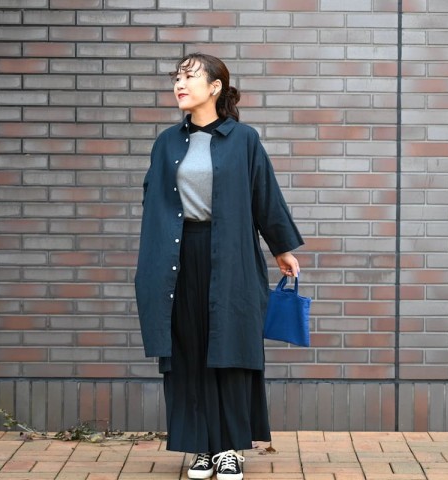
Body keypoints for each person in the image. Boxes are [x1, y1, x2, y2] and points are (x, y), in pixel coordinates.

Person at [134, 53, 304, 480]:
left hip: (231, 255)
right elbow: (153, 202)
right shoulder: (166, 142)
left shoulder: (243, 139)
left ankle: (229, 448)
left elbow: (264, 193)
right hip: (177, 257)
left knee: (230, 348)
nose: (179, 84)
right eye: (177, 77)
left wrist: (282, 247)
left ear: (215, 87)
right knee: (187, 349)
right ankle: (201, 448)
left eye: (189, 77)